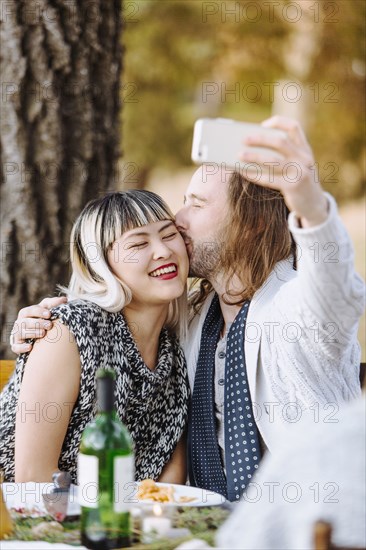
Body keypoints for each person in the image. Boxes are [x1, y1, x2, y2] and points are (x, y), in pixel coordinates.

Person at [9, 116, 365, 501]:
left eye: (195, 204)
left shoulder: (295, 307)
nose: (177, 223)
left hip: (306, 525)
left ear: (252, 222)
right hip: (190, 525)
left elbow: (335, 292)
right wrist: (40, 326)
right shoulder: (192, 319)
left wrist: (309, 202)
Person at [0, 190, 190, 484]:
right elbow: (31, 478)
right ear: (100, 265)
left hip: (118, 523)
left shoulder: (175, 353)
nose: (163, 251)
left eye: (168, 234)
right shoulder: (69, 332)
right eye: (139, 243)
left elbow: (167, 487)